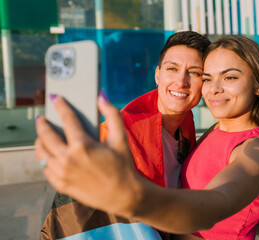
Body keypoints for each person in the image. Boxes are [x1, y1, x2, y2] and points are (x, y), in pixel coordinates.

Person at [35, 36, 259, 240]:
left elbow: (215, 204)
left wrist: (129, 197)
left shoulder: (258, 150)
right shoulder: (208, 132)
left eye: (230, 77)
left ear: (258, 85)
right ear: (157, 74)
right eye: (208, 78)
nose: (214, 88)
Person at [37, 31, 210, 240]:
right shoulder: (117, 133)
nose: (181, 81)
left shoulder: (186, 129)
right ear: (157, 74)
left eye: (195, 72)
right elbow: (72, 217)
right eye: (172, 69)